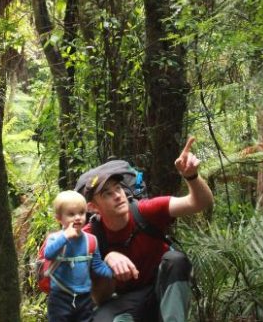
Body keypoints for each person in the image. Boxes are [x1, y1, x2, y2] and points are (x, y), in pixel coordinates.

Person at [78, 137, 214, 322]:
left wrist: (192, 177)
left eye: (118, 188)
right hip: (128, 301)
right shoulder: (89, 237)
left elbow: (200, 203)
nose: (117, 196)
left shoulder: (145, 211)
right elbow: (97, 296)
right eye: (107, 194)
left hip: (163, 288)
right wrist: (106, 262)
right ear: (93, 207)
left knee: (175, 260)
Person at [44, 190, 113, 322]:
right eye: (71, 214)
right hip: (60, 297)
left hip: (84, 297)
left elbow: (97, 265)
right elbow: (49, 254)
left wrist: (113, 273)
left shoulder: (91, 240)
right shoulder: (55, 238)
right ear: (59, 218)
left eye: (81, 213)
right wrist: (65, 237)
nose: (77, 217)